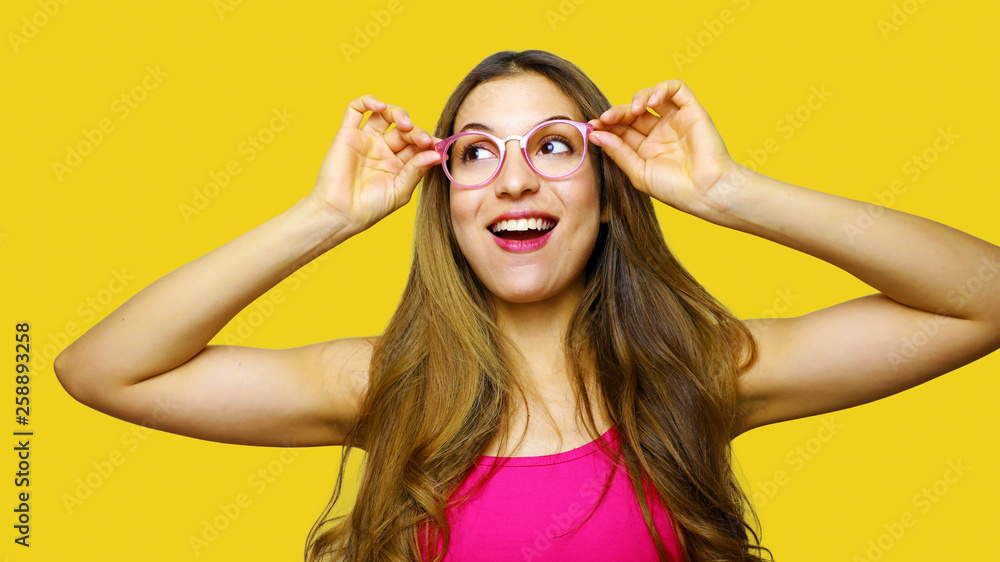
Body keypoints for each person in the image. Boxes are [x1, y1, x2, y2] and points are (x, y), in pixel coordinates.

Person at [53, 50, 1000, 562]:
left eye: (553, 146)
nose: (511, 181)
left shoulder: (697, 376)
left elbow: (983, 301)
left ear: (608, 184)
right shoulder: (382, 387)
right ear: (448, 200)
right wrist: (323, 217)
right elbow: (98, 370)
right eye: (475, 153)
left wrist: (730, 194)